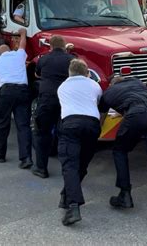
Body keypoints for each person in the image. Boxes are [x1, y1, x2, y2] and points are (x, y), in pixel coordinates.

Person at [98, 76, 147, 231]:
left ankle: (125, 194)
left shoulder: (109, 92)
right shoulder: (138, 83)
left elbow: (102, 113)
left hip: (135, 114)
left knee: (120, 150)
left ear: (113, 83)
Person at [56, 59, 102, 226]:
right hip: (92, 126)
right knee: (82, 165)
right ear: (87, 72)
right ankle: (65, 195)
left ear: (70, 72)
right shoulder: (94, 85)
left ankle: (73, 206)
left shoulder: (62, 87)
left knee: (70, 165)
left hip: (70, 125)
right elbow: (97, 102)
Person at [33, 36, 74, 178]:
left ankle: (41, 168)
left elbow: (37, 73)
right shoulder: (71, 59)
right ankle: (69, 170)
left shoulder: (43, 59)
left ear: (50, 47)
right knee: (64, 135)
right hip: (65, 101)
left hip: (47, 100)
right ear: (64, 46)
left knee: (42, 133)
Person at [0, 28, 33, 169]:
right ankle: (26, 158)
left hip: (6, 91)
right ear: (9, 50)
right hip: (22, 91)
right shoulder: (17, 55)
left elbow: (0, 80)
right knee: (23, 125)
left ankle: (0, 155)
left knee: (2, 123)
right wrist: (22, 34)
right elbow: (22, 44)